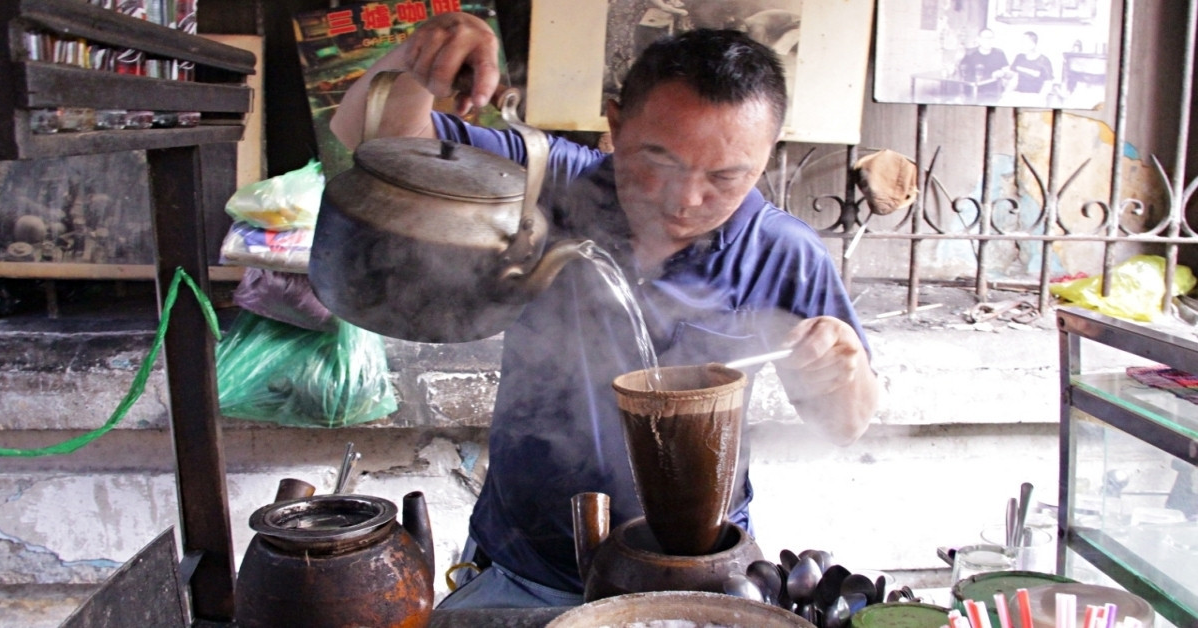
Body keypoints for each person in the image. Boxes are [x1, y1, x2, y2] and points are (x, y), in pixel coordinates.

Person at [330, 12, 879, 609]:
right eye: (659, 160)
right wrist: (421, 62)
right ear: (615, 124)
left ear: (767, 154)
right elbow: (369, 135)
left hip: (697, 574)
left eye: (726, 176)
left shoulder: (781, 251)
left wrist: (841, 370)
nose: (685, 198)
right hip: (524, 568)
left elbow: (844, 426)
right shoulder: (548, 181)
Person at [957, 28, 1008, 103]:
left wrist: (1002, 73)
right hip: (973, 93)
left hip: (994, 93)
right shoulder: (970, 54)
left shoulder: (999, 53)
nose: (988, 41)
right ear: (979, 39)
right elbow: (961, 75)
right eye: (985, 38)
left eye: (991, 38)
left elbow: (1008, 73)